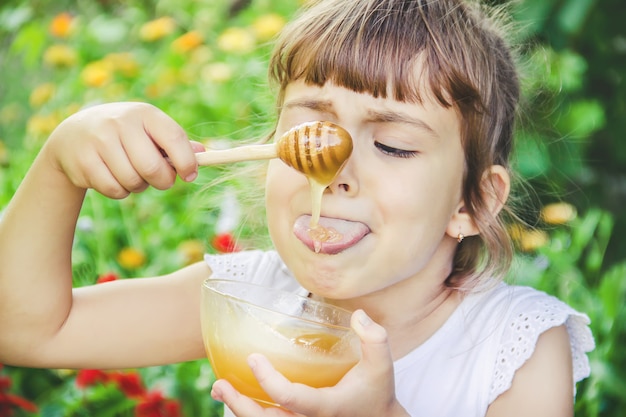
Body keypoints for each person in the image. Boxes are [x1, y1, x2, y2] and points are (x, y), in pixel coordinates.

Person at [0, 0, 594, 416]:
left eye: (393, 145)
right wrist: (58, 167)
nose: (333, 170)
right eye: (308, 131)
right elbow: (25, 333)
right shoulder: (245, 301)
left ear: (473, 202)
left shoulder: (516, 346)